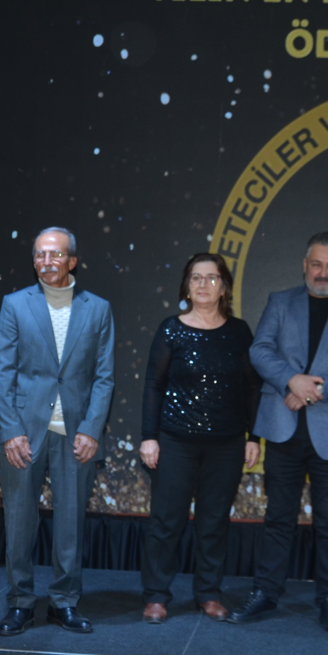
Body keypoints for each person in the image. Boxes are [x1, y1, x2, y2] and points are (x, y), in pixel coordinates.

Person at [228, 232, 328, 635]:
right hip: (283, 431)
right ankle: (266, 591)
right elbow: (260, 351)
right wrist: (291, 380)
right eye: (316, 264)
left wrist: (315, 389)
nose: (323, 273)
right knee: (278, 518)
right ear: (305, 265)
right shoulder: (281, 302)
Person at [0, 227, 114, 636]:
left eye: (56, 254)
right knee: (19, 524)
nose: (47, 262)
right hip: (23, 433)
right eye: (40, 255)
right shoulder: (15, 304)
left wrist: (92, 430)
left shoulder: (98, 309)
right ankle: (20, 603)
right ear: (34, 261)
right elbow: (2, 371)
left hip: (76, 433)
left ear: (72, 261)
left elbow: (104, 376)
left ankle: (64, 602)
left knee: (70, 526)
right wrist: (11, 431)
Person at [138, 253, 261, 623]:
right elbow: (154, 385)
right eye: (195, 277)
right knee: (166, 521)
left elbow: (252, 388)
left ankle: (208, 593)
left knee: (214, 522)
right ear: (186, 286)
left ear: (224, 287)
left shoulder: (239, 332)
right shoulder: (171, 329)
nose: (203, 284)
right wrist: (149, 437)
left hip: (227, 444)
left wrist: (254, 437)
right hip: (175, 441)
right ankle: (156, 595)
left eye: (211, 277)